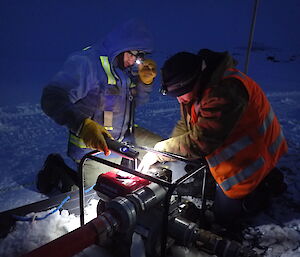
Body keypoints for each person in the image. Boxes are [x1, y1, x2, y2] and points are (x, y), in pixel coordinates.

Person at [139, 49, 288, 227]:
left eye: (181, 93)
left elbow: (201, 141)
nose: (179, 100)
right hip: (229, 143)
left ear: (194, 82)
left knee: (224, 217)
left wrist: (160, 151)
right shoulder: (196, 88)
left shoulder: (225, 92)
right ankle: (266, 177)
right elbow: (186, 124)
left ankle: (263, 188)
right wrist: (169, 155)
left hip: (253, 156)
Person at [38, 19, 162, 193]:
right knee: (100, 194)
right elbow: (51, 98)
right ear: (121, 45)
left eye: (139, 56)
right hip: (92, 149)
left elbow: (136, 103)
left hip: (120, 141)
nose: (134, 61)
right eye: (132, 54)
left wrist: (145, 83)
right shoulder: (87, 63)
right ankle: (57, 170)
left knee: (160, 152)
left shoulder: (124, 71)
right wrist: (82, 125)